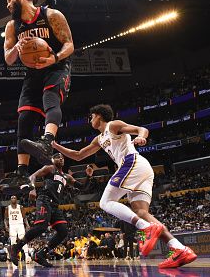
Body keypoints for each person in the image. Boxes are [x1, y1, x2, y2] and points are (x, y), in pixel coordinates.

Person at [52, 104, 198, 268]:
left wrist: (142, 137)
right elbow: (78, 156)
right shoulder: (99, 139)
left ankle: (144, 228)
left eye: (91, 116)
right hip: (141, 169)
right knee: (141, 212)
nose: (90, 120)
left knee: (105, 202)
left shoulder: (112, 125)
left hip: (131, 162)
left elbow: (141, 129)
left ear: (99, 115)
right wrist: (56, 146)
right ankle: (179, 248)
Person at [3, 0, 75, 194]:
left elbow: (69, 44)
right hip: (32, 73)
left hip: (56, 66)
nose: (8, 5)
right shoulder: (12, 26)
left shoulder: (51, 15)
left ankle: (47, 141)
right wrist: (17, 48)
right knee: (24, 118)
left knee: (50, 98)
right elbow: (8, 60)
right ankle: (22, 172)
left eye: (10, 0)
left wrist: (53, 58)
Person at [11, 153, 93, 268]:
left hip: (55, 205)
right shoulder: (49, 168)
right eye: (57, 157)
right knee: (41, 227)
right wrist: (32, 189)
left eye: (62, 157)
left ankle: (40, 254)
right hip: (44, 199)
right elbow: (33, 176)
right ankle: (17, 247)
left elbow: (82, 187)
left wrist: (88, 176)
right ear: (52, 159)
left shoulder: (66, 177)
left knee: (63, 231)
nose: (61, 158)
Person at [4, 195, 29, 267]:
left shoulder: (20, 207)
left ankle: (27, 256)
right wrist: (6, 226)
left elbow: (24, 217)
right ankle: (14, 257)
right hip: (12, 225)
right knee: (13, 241)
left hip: (20, 224)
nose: (13, 199)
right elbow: (5, 219)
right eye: (12, 198)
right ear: (10, 200)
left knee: (23, 239)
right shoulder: (7, 208)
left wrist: (27, 225)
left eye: (14, 198)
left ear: (16, 199)